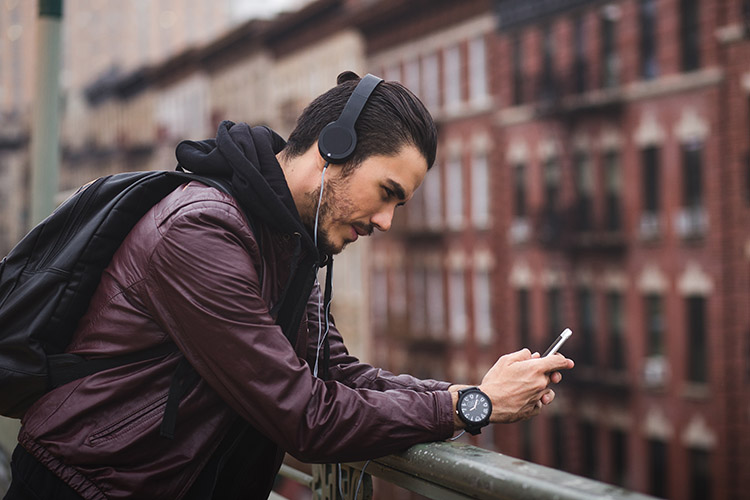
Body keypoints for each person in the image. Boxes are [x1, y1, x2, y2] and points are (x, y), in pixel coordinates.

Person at [4, 72, 573, 500]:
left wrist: (474, 391)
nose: (386, 223)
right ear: (334, 150)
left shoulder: (288, 243)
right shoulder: (202, 233)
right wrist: (470, 407)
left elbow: (341, 375)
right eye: (387, 192)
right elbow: (304, 415)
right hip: (84, 489)